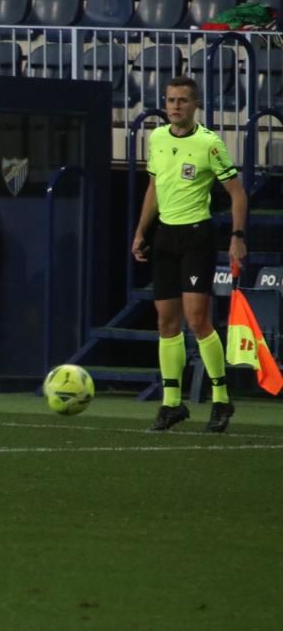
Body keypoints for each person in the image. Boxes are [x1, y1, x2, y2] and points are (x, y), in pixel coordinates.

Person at [132, 76, 247, 433]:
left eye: (182, 100)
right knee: (166, 321)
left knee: (197, 319)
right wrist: (140, 231)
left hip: (197, 235)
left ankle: (221, 400)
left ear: (195, 104)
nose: (175, 106)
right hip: (165, 236)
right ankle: (171, 405)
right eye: (170, 100)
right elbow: (154, 186)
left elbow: (238, 194)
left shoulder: (209, 144)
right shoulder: (158, 138)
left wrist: (237, 237)